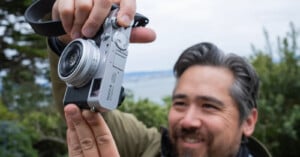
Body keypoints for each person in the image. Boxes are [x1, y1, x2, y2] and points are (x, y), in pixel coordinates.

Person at [47, 0, 272, 156]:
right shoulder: (146, 147)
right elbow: (81, 111)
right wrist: (71, 38)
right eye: (180, 103)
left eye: (209, 106)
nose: (188, 120)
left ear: (248, 122)